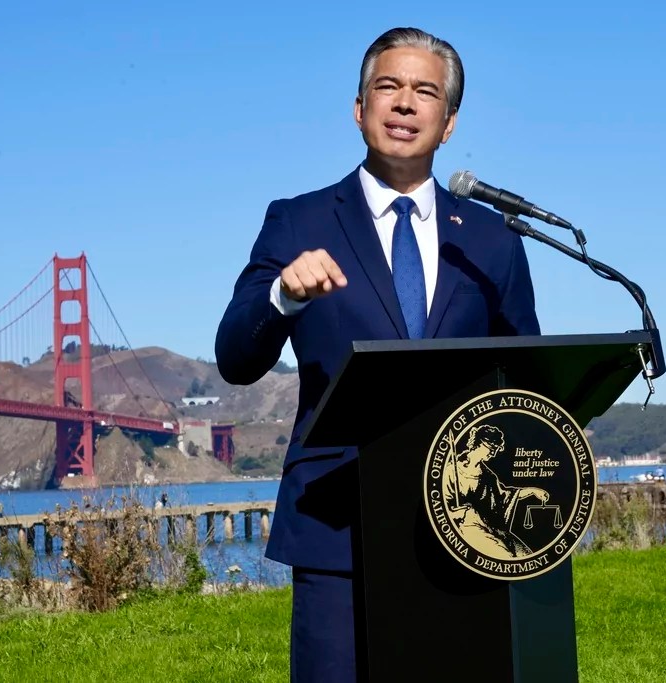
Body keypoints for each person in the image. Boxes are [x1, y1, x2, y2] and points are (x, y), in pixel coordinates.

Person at [215, 26, 540, 682]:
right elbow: (234, 357)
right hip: (336, 529)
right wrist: (282, 296)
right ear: (359, 108)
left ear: (449, 123)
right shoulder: (297, 221)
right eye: (388, 86)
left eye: (425, 91)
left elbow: (527, 377)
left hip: (466, 527)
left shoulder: (493, 238)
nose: (405, 103)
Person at [442, 424, 549, 559]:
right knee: (506, 557)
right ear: (479, 443)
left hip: (492, 527)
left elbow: (505, 495)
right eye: (491, 448)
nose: (493, 453)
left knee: (526, 555)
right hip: (469, 527)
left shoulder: (488, 476)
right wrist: (456, 513)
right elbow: (442, 508)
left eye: (496, 449)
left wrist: (531, 491)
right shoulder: (452, 471)